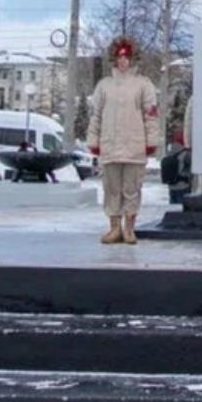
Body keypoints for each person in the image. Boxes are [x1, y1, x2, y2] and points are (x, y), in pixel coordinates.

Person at [87, 36, 161, 245]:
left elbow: (151, 115)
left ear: (133, 59)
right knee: (112, 189)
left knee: (132, 189)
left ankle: (129, 228)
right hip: (110, 146)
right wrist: (94, 140)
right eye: (119, 57)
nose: (123, 62)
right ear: (113, 59)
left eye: (127, 57)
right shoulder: (104, 86)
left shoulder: (143, 85)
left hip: (134, 146)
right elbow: (96, 115)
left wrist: (151, 141)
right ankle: (114, 228)